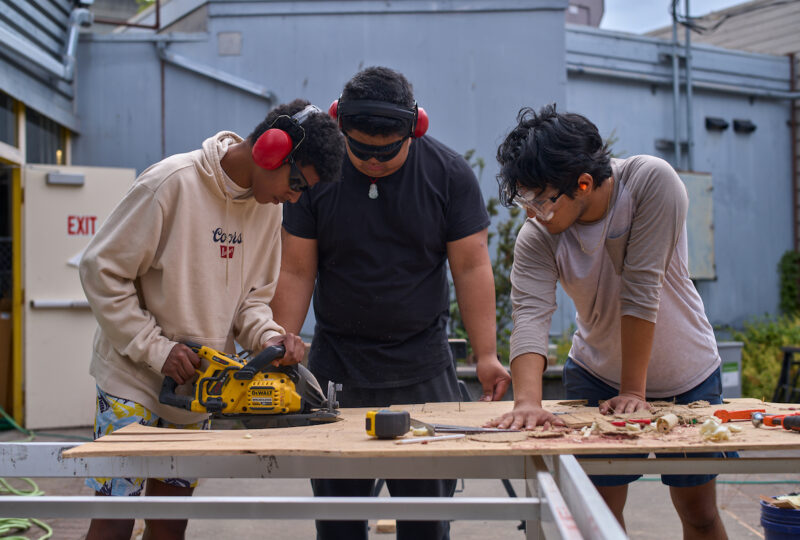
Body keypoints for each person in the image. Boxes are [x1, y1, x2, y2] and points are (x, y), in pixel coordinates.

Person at [78, 99, 344, 540]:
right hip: (132, 378)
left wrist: (272, 338)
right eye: (296, 181)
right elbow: (100, 269)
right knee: (114, 518)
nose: (295, 196)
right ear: (271, 150)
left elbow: (251, 303)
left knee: (169, 524)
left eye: (304, 190)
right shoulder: (171, 184)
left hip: (199, 383)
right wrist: (155, 349)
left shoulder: (267, 207)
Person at [271, 66, 511, 540]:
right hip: (337, 368)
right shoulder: (314, 177)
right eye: (359, 150)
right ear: (339, 124)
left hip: (423, 368)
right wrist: (280, 345)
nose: (373, 161)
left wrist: (486, 355)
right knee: (339, 525)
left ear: (414, 128)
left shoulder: (449, 175)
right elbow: (297, 269)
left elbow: (471, 267)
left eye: (387, 151)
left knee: (425, 524)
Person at [487, 104, 731, 538]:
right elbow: (529, 313)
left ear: (582, 183)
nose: (531, 212)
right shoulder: (538, 236)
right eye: (524, 200)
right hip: (596, 377)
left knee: (699, 513)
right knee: (596, 515)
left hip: (687, 374)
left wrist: (634, 391)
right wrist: (527, 403)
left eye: (539, 199)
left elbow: (642, 287)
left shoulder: (651, 182)